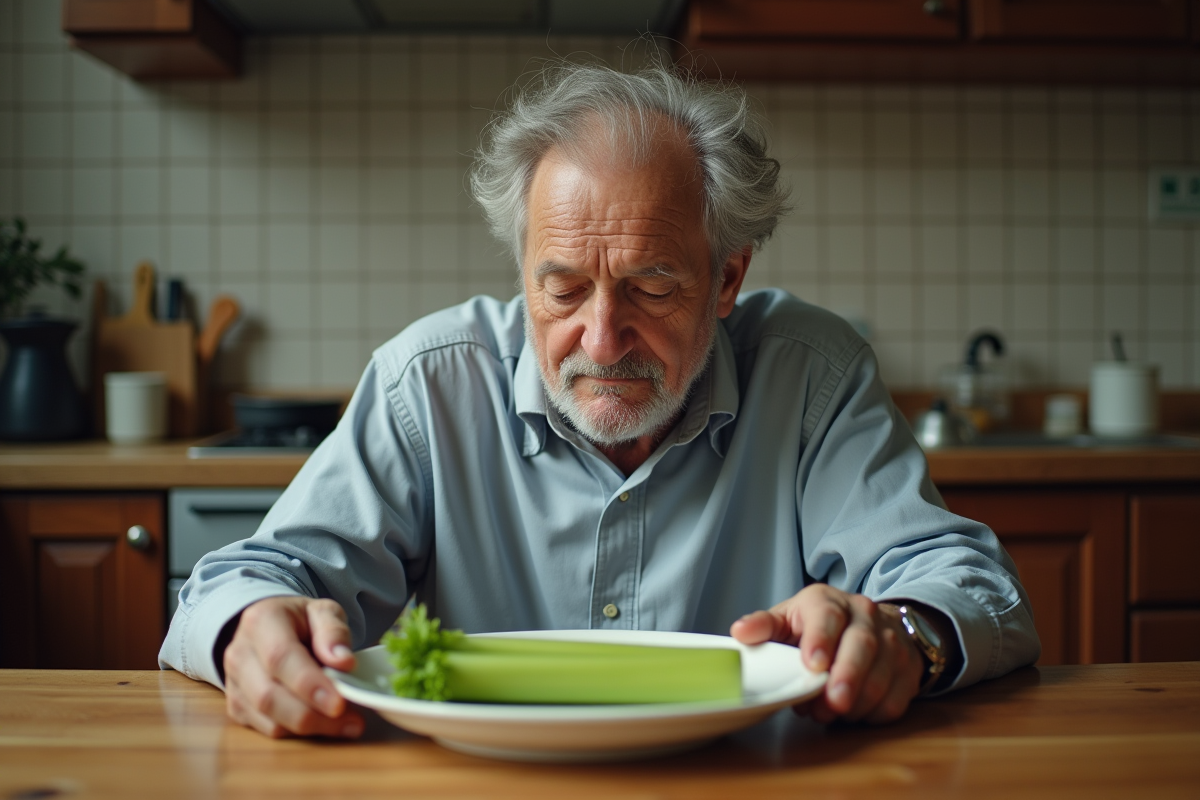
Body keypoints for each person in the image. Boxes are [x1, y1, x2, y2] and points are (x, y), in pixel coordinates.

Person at [160, 60, 1039, 739]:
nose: (601, 338)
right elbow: (247, 580)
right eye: (564, 289)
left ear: (726, 276)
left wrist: (904, 637)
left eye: (652, 287)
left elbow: (968, 587)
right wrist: (248, 630)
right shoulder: (425, 383)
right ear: (523, 276)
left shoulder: (810, 373)